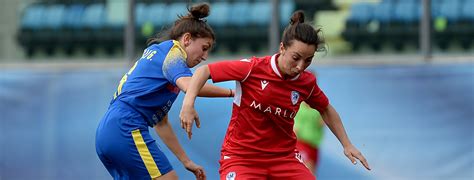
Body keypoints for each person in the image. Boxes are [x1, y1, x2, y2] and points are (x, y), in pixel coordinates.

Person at [179, 10, 371, 179]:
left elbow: (326, 109)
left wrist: (347, 144)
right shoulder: (252, 68)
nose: (300, 67)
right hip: (242, 158)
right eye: (296, 58)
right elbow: (204, 72)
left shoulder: (307, 83)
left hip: (284, 159)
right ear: (282, 48)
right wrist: (188, 104)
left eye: (308, 60)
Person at [95, 3, 234, 180]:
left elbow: (161, 124)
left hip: (108, 132)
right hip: (126, 127)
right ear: (187, 39)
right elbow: (190, 85)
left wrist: (186, 161)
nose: (205, 56)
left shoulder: (162, 58)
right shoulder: (173, 52)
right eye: (204, 48)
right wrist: (231, 93)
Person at [294, 101, 325, 174]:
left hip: (314, 146)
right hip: (301, 142)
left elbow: (323, 123)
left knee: (312, 174)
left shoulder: (318, 109)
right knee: (306, 172)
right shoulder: (298, 105)